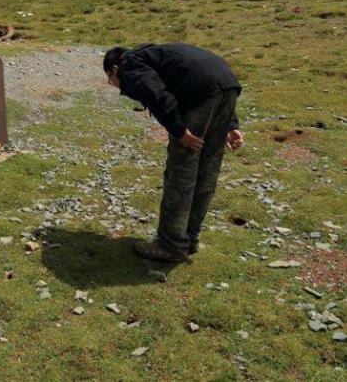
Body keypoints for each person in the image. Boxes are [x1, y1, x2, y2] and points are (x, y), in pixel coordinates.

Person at [104, 43, 245, 262]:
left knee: (182, 172)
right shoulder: (157, 55)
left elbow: (156, 93)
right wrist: (230, 124)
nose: (113, 84)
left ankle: (171, 245)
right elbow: (206, 78)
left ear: (114, 68)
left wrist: (180, 132)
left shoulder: (129, 64)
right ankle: (189, 238)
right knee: (207, 170)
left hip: (201, 95)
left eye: (110, 80)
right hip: (227, 85)